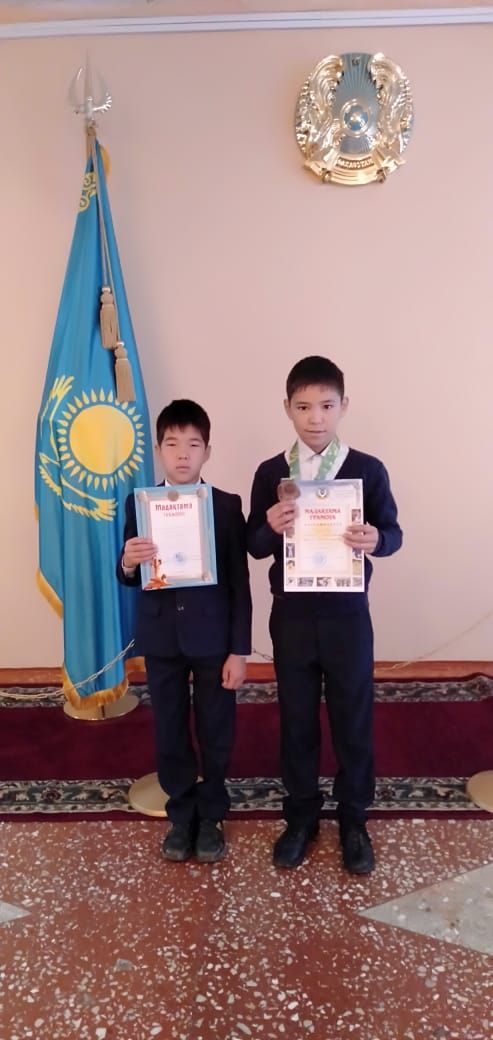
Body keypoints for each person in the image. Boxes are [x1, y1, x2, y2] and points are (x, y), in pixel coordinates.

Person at [247, 356, 402, 873]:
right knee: (296, 720)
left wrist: (376, 539)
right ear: (287, 408)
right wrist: (269, 526)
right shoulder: (271, 472)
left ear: (344, 406)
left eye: (326, 406)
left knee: (352, 718)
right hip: (292, 617)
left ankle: (353, 819)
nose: (315, 417)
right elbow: (253, 544)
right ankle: (301, 817)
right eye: (304, 407)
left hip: (347, 617)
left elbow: (393, 534)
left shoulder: (367, 470)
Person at [117, 399, 252, 864]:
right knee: (170, 727)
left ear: (207, 452)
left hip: (213, 640)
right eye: (172, 444)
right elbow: (129, 572)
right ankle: (181, 813)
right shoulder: (140, 504)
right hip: (162, 639)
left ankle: (211, 813)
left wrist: (239, 650)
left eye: (193, 445)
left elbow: (239, 583)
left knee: (216, 726)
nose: (182, 454)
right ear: (158, 450)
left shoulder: (227, 507)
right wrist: (128, 562)